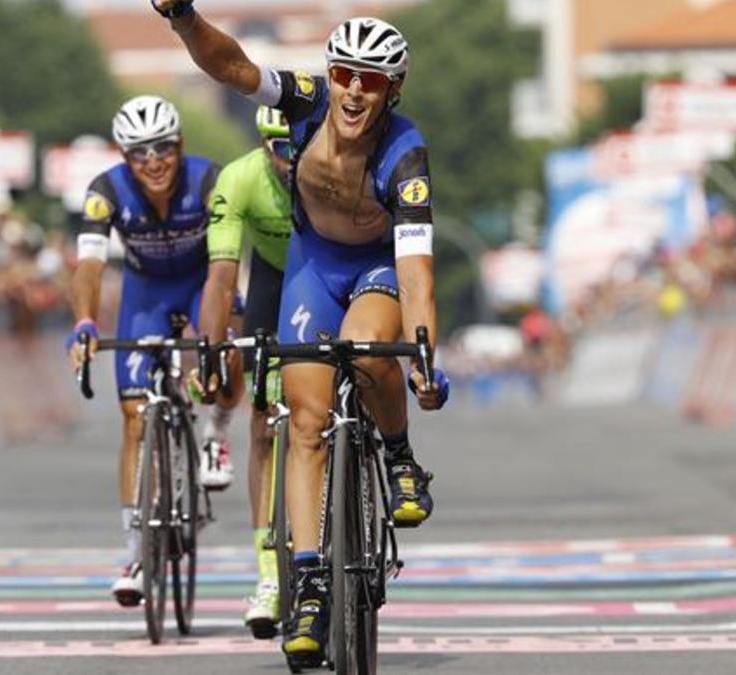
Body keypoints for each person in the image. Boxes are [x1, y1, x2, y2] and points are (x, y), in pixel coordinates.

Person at [150, 4, 449, 666]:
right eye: (344, 73)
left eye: (370, 81)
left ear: (392, 90)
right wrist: (182, 19)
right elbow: (231, 66)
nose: (352, 91)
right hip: (313, 266)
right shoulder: (305, 102)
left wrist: (424, 350)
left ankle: (399, 457)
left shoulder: (406, 153)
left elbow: (416, 269)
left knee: (373, 353)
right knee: (306, 418)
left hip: (374, 267)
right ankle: (309, 580)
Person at [65, 94, 236, 607]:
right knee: (134, 415)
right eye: (139, 152)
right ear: (123, 156)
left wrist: (215, 332)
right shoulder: (105, 191)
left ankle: (216, 433)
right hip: (146, 294)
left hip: (202, 280)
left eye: (162, 148)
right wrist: (85, 323)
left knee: (223, 355)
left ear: (180, 145)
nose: (153, 161)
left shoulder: (210, 182)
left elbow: (228, 263)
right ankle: (137, 549)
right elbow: (90, 267)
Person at [197, 105, 295, 639]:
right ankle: (267, 575)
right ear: (263, 145)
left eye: (298, 144)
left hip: (324, 272)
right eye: (280, 149)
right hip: (272, 282)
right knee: (262, 420)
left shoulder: (327, 166)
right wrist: (212, 355)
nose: (291, 159)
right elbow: (220, 278)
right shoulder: (239, 179)